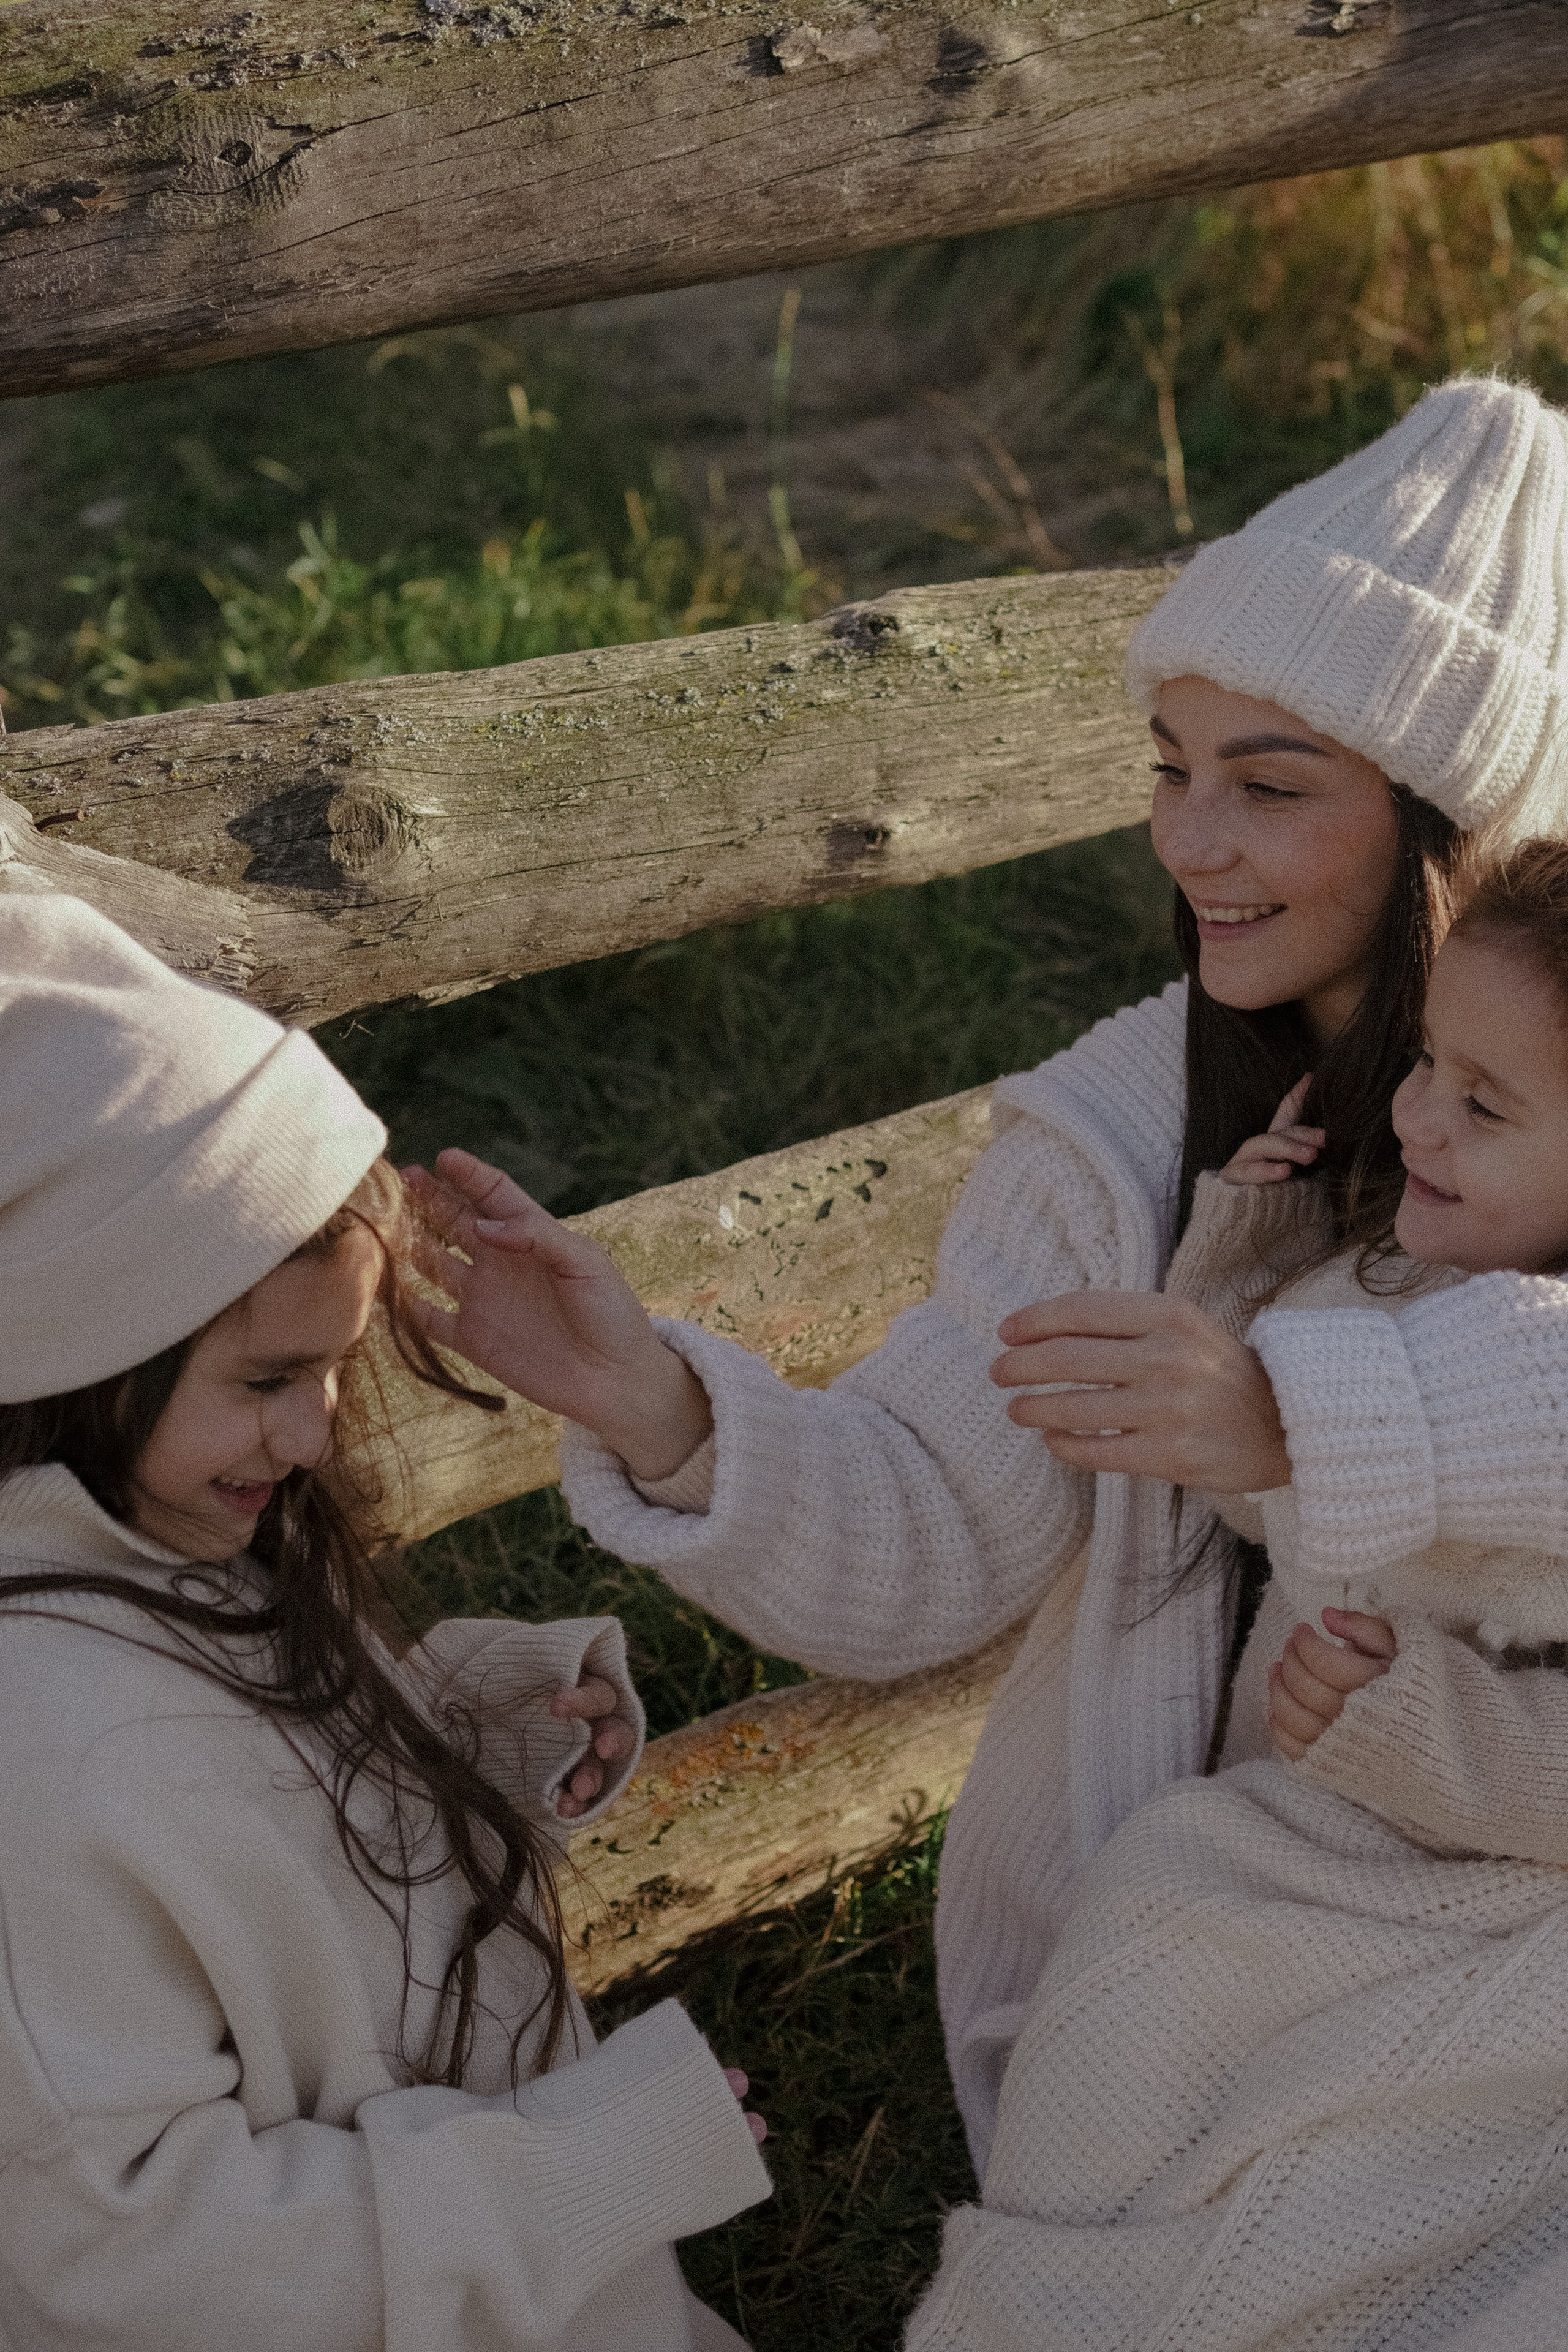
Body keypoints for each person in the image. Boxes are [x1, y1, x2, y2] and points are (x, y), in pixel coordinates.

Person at [402, 372, 1568, 2205]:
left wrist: (1290, 1417)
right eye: (1170, 771)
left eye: (1268, 786)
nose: (1190, 845)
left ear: (1459, 822)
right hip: (1211, 1935)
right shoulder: (1121, 1132)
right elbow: (936, 1529)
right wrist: (662, 1405)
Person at [0, 895, 770, 2351]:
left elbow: (236, 1829)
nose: (317, 1433)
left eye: (339, 1368)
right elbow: (133, 2256)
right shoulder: (26, 1767)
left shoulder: (172, 1548)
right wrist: (570, 2174)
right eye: (269, 1379)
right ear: (76, 1344)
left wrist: (459, 1721)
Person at [901, 834, 1568, 2350]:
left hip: (1511, 1896)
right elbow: (1258, 1482)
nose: (1413, 1120)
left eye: (1482, 1103)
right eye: (1423, 1067)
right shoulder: (1395, 1275)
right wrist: (1242, 1272)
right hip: (1292, 1846)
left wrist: (1426, 1725)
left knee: (1403, 2193)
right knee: (1146, 1959)